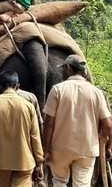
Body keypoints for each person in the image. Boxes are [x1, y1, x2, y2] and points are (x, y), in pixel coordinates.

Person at [43, 54, 112, 187]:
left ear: (68, 68)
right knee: (82, 185)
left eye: (63, 68)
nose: (62, 71)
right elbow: (108, 125)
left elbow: (49, 123)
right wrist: (109, 146)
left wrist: (46, 149)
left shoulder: (57, 90)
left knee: (59, 182)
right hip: (87, 149)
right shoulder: (96, 92)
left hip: (60, 149)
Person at [0, 71, 44, 187]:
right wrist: (39, 162)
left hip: (1, 162)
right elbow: (35, 136)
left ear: (0, 86)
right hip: (25, 162)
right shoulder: (28, 106)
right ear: (18, 86)